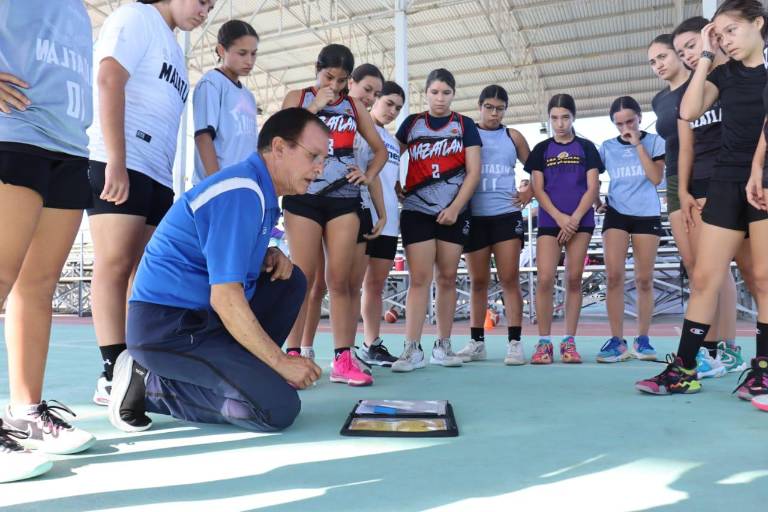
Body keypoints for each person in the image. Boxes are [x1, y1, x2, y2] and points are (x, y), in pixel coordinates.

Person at [109, 108, 324, 434]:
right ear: (279, 148)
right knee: (276, 409)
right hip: (169, 329)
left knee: (290, 280)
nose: (320, 169)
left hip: (200, 319)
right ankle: (149, 385)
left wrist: (265, 253)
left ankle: (248, 375)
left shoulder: (258, 192)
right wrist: (279, 362)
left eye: (325, 159)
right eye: (313, 156)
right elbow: (225, 297)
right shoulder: (241, 191)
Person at [636, 0, 768, 399]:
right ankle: (685, 367)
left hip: (763, 182)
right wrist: (707, 56)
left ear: (758, 24)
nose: (726, 39)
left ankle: (762, 370)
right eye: (720, 33)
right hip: (727, 182)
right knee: (705, 279)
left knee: (762, 278)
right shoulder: (723, 74)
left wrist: (758, 170)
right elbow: (690, 109)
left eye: (732, 30)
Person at [87, 0, 214, 407]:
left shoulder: (175, 48)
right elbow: (109, 79)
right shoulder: (134, 17)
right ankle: (111, 372)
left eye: (212, 6)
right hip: (122, 161)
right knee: (115, 264)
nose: (205, 11)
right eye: (202, 1)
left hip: (157, 173)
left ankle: (134, 365)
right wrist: (117, 160)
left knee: (141, 275)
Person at [0, 0, 95, 482]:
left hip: (67, 146)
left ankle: (26, 412)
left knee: (37, 287)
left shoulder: (77, 10)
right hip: (13, 132)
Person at [281, 45, 387, 386]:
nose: (336, 85)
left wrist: (368, 175)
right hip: (303, 196)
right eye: (330, 77)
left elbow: (380, 149)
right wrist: (314, 106)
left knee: (340, 281)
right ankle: (293, 355)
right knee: (304, 278)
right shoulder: (297, 97)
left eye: (343, 80)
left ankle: (343, 358)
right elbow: (278, 140)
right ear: (318, 69)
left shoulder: (354, 105)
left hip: (344, 197)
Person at [672, 16, 750, 375]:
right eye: (681, 51)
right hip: (707, 187)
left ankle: (728, 349)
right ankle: (703, 354)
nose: (688, 54)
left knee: (753, 275)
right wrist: (685, 190)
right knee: (706, 274)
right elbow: (686, 140)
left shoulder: (743, 76)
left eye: (692, 44)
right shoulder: (697, 88)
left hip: (745, 183)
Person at [391, 68, 482, 372]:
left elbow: (474, 172)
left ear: (453, 94)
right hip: (417, 210)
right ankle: (411, 348)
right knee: (419, 279)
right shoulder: (412, 124)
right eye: (434, 92)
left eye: (446, 92)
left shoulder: (464, 125)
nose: (440, 98)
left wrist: (456, 207)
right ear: (426, 93)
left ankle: (443, 345)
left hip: (452, 213)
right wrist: (394, 185)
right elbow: (388, 156)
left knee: (446, 277)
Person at [455, 85, 532, 365]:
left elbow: (539, 168)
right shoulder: (467, 134)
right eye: (489, 107)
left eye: (500, 108)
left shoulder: (513, 136)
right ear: (479, 107)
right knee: (478, 282)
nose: (494, 113)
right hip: (475, 216)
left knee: (509, 278)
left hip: (505, 215)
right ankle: (477, 342)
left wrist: (529, 191)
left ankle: (514, 342)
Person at [525, 94, 603, 365]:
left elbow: (592, 187)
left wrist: (574, 219)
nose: (560, 123)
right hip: (551, 221)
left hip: (580, 221)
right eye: (555, 118)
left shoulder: (587, 147)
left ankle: (569, 341)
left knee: (573, 278)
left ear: (573, 118)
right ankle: (544, 342)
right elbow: (538, 188)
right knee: (545, 278)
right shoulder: (541, 150)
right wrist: (559, 218)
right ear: (549, 119)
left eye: (565, 117)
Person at [594, 96, 665, 363]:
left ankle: (643, 339)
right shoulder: (607, 147)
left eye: (630, 121)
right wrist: (597, 202)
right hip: (617, 214)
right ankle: (617, 340)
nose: (625, 127)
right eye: (619, 123)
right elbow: (591, 177)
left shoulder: (655, 141)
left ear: (639, 118)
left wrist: (637, 144)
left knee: (644, 279)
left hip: (646, 214)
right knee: (613, 277)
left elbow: (656, 177)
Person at [358, 81, 406, 366]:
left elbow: (388, 180)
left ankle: (371, 344)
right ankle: (342, 349)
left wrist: (399, 190)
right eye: (388, 103)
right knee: (348, 286)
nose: (392, 111)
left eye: (398, 108)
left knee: (375, 285)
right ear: (375, 99)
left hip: (389, 220)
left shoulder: (390, 140)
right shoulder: (360, 129)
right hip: (364, 217)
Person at [193, 19, 259, 185]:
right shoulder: (212, 83)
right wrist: (217, 184)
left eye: (254, 53)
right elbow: (203, 136)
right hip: (218, 186)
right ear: (222, 50)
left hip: (243, 185)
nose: (249, 61)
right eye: (242, 53)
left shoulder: (248, 96)